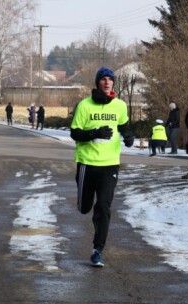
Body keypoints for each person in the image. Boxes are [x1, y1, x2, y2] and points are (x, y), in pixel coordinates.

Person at [70, 66, 134, 267]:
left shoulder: (120, 106)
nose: (107, 82)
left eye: (110, 79)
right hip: (87, 164)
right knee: (84, 208)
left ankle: (97, 249)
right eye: (103, 79)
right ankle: (83, 202)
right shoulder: (85, 106)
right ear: (97, 83)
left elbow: (123, 125)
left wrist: (129, 136)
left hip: (110, 165)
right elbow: (75, 133)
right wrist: (93, 133)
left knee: (104, 207)